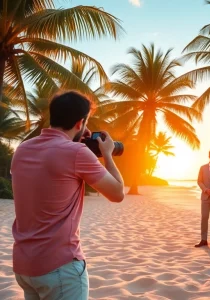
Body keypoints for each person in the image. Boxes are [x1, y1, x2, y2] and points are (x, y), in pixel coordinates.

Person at [11, 91, 125, 300]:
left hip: (25, 266)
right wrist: (107, 154)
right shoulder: (76, 153)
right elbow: (117, 193)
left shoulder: (23, 149)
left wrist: (76, 138)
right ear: (80, 122)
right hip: (59, 268)